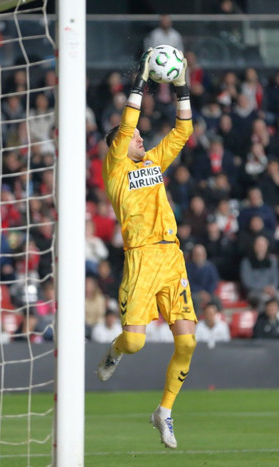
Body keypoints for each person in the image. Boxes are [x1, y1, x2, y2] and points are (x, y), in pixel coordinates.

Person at [95, 49, 196, 449]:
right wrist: (142, 79)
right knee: (135, 343)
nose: (140, 137)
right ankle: (115, 350)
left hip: (171, 256)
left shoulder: (152, 163)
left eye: (138, 137)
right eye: (134, 136)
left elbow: (183, 132)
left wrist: (181, 82)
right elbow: (129, 122)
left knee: (187, 342)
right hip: (140, 259)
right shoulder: (116, 167)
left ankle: (164, 412)